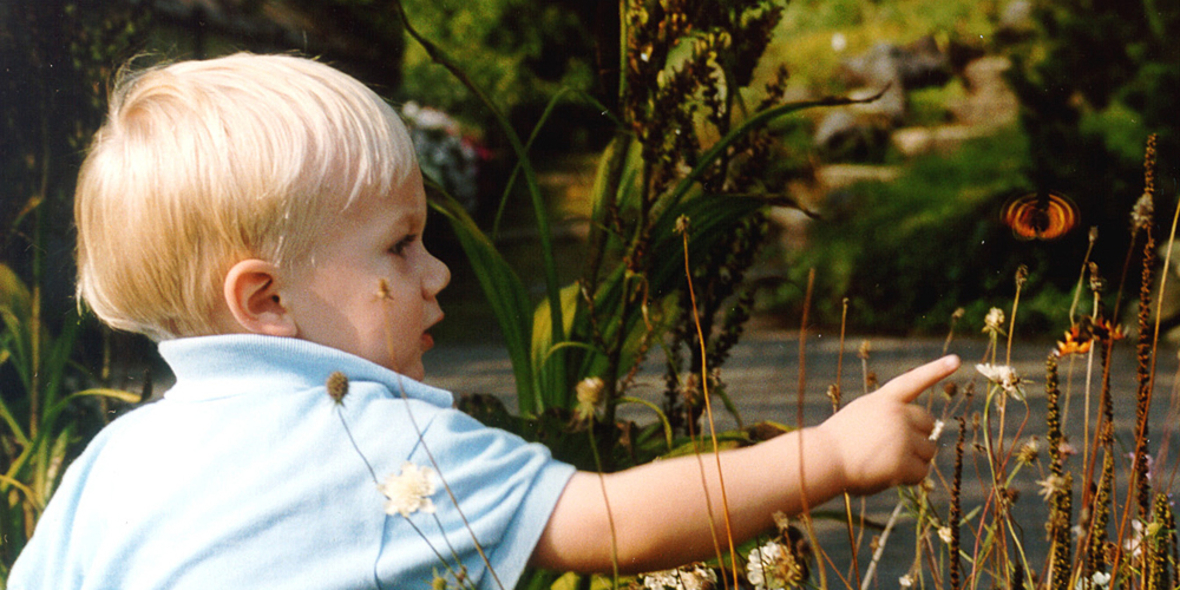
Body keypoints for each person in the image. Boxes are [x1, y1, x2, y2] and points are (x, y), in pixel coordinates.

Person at [8, 53, 960, 589]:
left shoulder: (111, 463)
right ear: (266, 302)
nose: (438, 274)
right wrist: (830, 455)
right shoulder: (385, 445)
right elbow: (615, 522)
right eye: (400, 246)